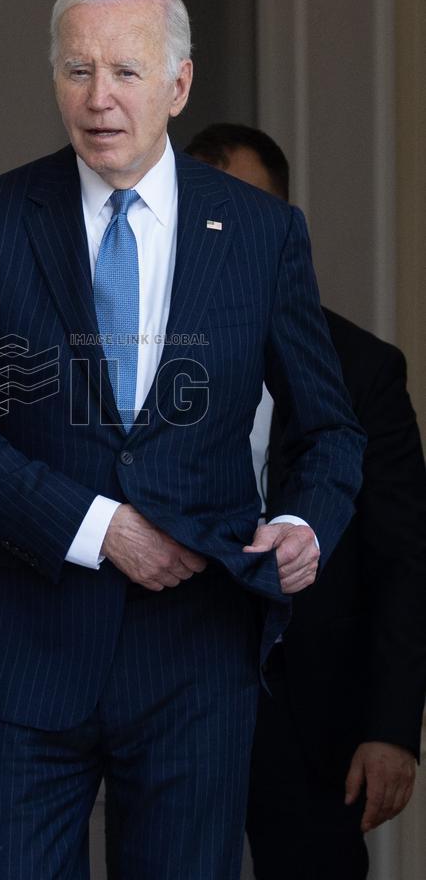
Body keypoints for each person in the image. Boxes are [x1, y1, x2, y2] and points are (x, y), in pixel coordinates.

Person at [0, 0, 366, 880]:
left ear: (180, 84)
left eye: (125, 70)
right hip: (30, 645)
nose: (99, 97)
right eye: (76, 70)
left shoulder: (263, 232)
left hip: (196, 651)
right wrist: (102, 529)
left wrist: (308, 523)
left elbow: (329, 430)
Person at [186, 123, 426, 879]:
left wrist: (392, 728)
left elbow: (403, 556)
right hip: (172, 701)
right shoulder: (130, 358)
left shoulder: (362, 368)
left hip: (315, 716)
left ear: (284, 227)